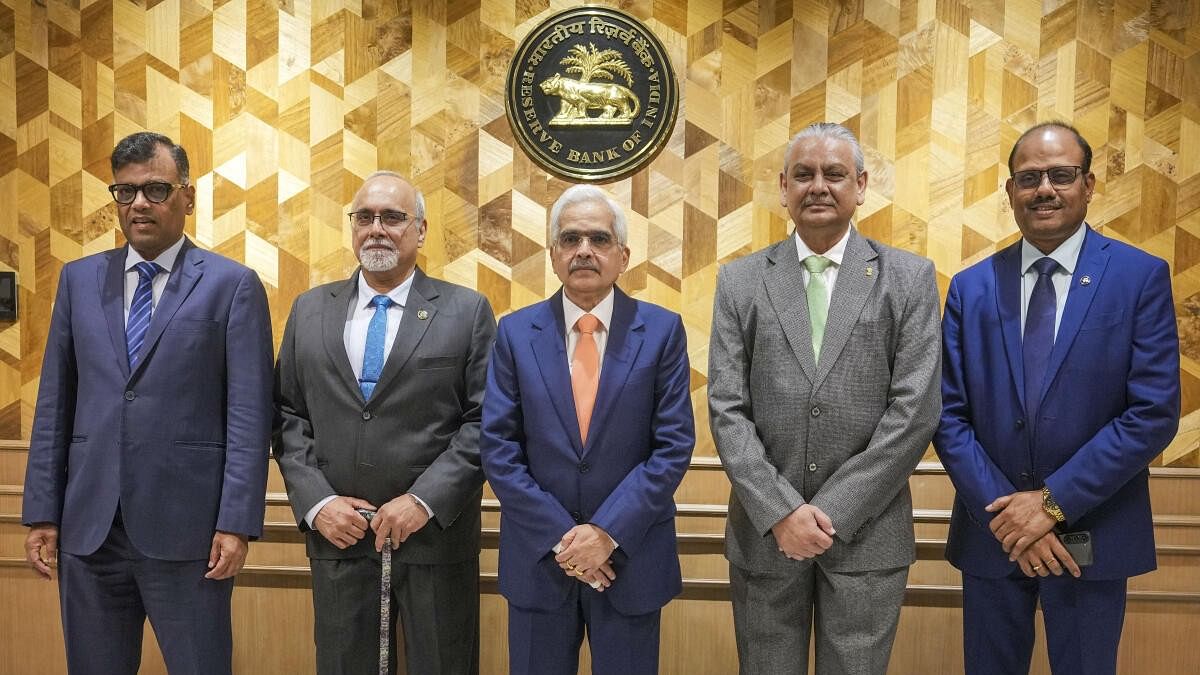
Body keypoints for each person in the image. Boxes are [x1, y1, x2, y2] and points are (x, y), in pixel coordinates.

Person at [21, 131, 274, 675]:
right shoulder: (79, 280)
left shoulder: (233, 286)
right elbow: (55, 404)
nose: (139, 203)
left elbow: (249, 418)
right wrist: (42, 511)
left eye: (156, 189)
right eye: (126, 191)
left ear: (187, 196)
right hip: (89, 532)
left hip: (191, 535)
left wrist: (237, 523)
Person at [934, 122, 1180, 674]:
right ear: (1010, 192)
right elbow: (947, 415)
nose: (1044, 188)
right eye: (1029, 178)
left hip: (1094, 535)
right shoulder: (971, 288)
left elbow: (1152, 414)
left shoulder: (1138, 278)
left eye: (1061, 175)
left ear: (1089, 184)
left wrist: (1049, 505)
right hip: (992, 537)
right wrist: (1010, 518)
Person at [708, 122, 941, 674]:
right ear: (784, 187)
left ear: (860, 186)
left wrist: (831, 513)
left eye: (834, 174)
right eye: (804, 175)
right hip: (767, 535)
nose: (819, 186)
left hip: (868, 536)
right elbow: (726, 408)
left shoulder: (908, 278)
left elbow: (915, 412)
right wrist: (782, 512)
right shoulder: (740, 282)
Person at [274, 171, 495, 675]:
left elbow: (485, 421)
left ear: (419, 230)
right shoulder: (309, 311)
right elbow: (287, 414)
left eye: (392, 218)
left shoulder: (466, 312)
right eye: (365, 218)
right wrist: (318, 503)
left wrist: (423, 501)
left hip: (434, 539)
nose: (377, 229)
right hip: (339, 538)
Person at [480, 184, 695, 675]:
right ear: (553, 254)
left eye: (598, 239)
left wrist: (605, 533)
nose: (583, 250)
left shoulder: (662, 331)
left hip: (631, 561)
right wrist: (566, 540)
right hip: (540, 561)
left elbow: (673, 446)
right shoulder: (515, 333)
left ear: (622, 255)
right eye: (570, 238)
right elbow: (498, 447)